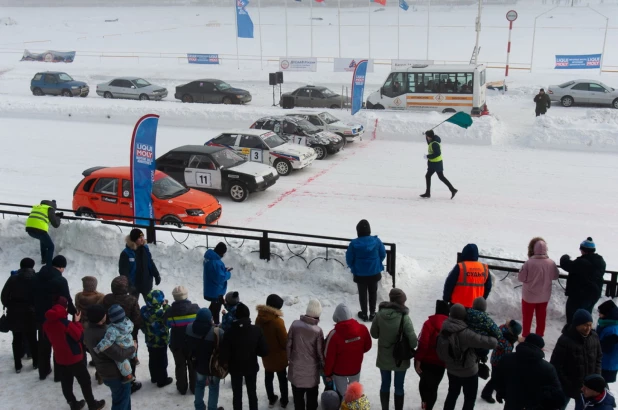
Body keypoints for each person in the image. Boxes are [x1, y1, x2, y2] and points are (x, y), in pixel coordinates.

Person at [43, 297, 105, 410]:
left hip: (59, 358)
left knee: (66, 383)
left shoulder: (46, 324)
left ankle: (73, 403)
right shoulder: (66, 324)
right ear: (65, 308)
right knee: (85, 381)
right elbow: (79, 337)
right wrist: (77, 323)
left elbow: (47, 338)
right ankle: (92, 405)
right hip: (74, 358)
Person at [436, 303, 498, 410]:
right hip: (468, 372)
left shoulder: (444, 327)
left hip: (451, 369)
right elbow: (492, 343)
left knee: (452, 394)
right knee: (469, 398)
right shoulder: (466, 333)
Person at [370, 288, 418, 410]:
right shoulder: (404, 318)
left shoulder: (379, 315)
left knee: (385, 384)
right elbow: (413, 343)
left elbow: (374, 334)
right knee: (399, 386)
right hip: (400, 359)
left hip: (384, 357)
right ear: (401, 302)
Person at [33, 255, 77, 381]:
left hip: (41, 316)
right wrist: (73, 311)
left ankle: (43, 371)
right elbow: (67, 298)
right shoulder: (60, 280)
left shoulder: (37, 276)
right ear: (62, 267)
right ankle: (59, 375)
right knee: (58, 344)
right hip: (56, 316)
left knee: (43, 344)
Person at [84, 305, 136, 410]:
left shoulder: (89, 330)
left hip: (105, 371)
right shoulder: (103, 335)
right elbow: (120, 355)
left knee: (121, 398)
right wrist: (133, 348)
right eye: (104, 314)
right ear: (99, 318)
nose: (106, 315)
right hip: (115, 374)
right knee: (121, 402)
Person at [493, 334, 564, 410]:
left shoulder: (507, 358)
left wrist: (501, 392)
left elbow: (497, 379)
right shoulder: (548, 368)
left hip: (511, 402)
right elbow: (557, 395)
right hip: (535, 406)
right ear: (540, 348)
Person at [220, 302, 269, 410]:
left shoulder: (229, 332)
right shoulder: (256, 330)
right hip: (251, 367)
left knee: (237, 395)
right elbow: (264, 351)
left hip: (235, 368)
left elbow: (224, 354)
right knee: (252, 393)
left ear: (236, 316)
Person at [550, 309, 602, 408]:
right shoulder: (565, 341)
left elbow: (598, 357)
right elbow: (556, 365)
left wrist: (596, 376)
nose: (588, 328)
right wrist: (568, 384)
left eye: (590, 324)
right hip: (568, 387)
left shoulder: (594, 337)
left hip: (588, 386)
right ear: (576, 325)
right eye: (585, 325)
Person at [103, 276, 142, 391]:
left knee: (116, 355)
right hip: (128, 333)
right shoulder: (131, 300)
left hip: (111, 332)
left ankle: (119, 377)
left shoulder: (107, 299)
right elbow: (137, 318)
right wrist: (135, 331)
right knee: (130, 354)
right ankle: (131, 381)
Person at [324, 303, 372, 395]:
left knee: (343, 394)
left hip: (339, 372)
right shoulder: (362, 329)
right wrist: (356, 352)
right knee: (354, 394)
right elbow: (368, 346)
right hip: (355, 369)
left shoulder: (334, 335)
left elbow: (329, 356)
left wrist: (328, 373)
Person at [1, 257, 38, 373]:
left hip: (14, 313)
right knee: (32, 338)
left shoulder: (13, 279)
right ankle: (35, 362)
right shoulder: (36, 279)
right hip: (31, 313)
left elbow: (4, 296)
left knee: (16, 339)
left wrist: (9, 305)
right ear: (32, 266)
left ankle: (18, 365)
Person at [345, 219, 386, 322]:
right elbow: (383, 254)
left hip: (360, 273)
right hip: (374, 272)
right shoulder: (376, 241)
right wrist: (376, 263)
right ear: (369, 230)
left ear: (358, 231)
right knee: (373, 292)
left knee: (362, 294)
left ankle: (364, 314)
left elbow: (349, 259)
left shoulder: (354, 243)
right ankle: (372, 314)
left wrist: (354, 267)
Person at [287, 299, 325, 410]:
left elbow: (288, 345)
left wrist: (292, 360)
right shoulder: (318, 331)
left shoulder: (295, 325)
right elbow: (320, 353)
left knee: (298, 401)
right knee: (312, 401)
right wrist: (323, 366)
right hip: (311, 373)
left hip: (296, 370)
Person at [518, 237, 559, 337]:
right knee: (541, 318)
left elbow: (521, 278)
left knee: (527, 318)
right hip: (544, 296)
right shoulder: (551, 263)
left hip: (529, 297)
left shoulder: (528, 263)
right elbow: (555, 276)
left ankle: (526, 337)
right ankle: (539, 338)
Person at [561, 237, 606, 325]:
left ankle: (573, 335)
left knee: (573, 317)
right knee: (586, 317)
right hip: (594, 294)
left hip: (579, 296)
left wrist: (564, 257)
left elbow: (566, 265)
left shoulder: (582, 262)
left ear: (584, 250)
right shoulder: (601, 261)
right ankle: (585, 335)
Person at [186, 308, 224, 410]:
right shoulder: (217, 332)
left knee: (199, 384)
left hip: (198, 364)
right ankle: (212, 408)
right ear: (210, 319)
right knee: (213, 387)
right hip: (213, 366)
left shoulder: (189, 328)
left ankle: (199, 407)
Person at [414, 300, 450, 410]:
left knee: (424, 382)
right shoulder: (451, 326)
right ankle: (429, 407)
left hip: (426, 361)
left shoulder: (429, 323)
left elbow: (423, 343)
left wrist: (418, 359)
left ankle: (424, 401)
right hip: (441, 362)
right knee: (434, 387)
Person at [255, 294, 289, 408]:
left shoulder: (258, 319)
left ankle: (271, 398)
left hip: (266, 355)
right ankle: (284, 400)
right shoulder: (278, 322)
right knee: (282, 379)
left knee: (268, 377)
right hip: (279, 357)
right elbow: (285, 342)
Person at [165, 285, 199, 395]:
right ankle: (195, 387)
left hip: (176, 343)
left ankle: (182, 387)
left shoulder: (170, 311)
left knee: (180, 366)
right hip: (192, 343)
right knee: (193, 365)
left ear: (174, 297)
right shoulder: (195, 308)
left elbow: (167, 324)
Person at [480, 319, 522, 403]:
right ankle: (486, 394)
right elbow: (507, 351)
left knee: (496, 377)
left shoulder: (503, 330)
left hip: (496, 359)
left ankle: (496, 387)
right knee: (495, 379)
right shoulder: (505, 341)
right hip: (498, 362)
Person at [93, 304, 136, 383]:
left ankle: (128, 375)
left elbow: (107, 341)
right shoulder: (128, 322)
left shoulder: (113, 330)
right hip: (130, 342)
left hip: (122, 346)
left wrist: (98, 348)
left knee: (121, 361)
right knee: (132, 349)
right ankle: (135, 358)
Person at [140, 289, 173, 388]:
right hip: (161, 341)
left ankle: (154, 377)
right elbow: (169, 316)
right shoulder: (161, 312)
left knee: (152, 359)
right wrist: (166, 305)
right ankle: (162, 380)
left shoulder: (144, 309)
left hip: (150, 340)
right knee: (162, 361)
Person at [443, 244, 492, 308]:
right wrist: (481, 300)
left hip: (457, 306)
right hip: (475, 307)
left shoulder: (460, 267)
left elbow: (449, 284)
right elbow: (488, 286)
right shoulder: (484, 268)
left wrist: (446, 299)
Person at [119, 228, 161, 302]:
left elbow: (150, 263)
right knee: (132, 307)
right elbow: (123, 271)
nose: (142, 239)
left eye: (142, 237)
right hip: (133, 285)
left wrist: (156, 274)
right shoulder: (126, 253)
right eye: (139, 238)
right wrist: (129, 284)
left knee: (151, 305)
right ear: (134, 240)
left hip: (146, 283)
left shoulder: (145, 248)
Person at [420, 130, 457, 199]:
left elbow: (437, 153)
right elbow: (428, 143)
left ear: (429, 137)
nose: (427, 138)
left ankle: (453, 190)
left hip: (436, 163)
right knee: (428, 176)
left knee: (440, 177)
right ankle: (428, 193)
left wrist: (428, 156)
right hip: (433, 163)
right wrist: (426, 134)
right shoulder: (432, 140)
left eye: (427, 136)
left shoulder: (434, 143)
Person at [25, 199, 62, 266]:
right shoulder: (50, 209)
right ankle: (49, 265)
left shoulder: (38, 207)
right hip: (39, 229)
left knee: (43, 241)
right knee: (51, 246)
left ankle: (44, 259)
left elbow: (43, 216)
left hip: (29, 229)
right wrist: (58, 217)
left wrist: (54, 215)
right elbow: (56, 224)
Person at [465, 297, 502, 363]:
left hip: (466, 346)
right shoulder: (487, 320)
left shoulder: (466, 315)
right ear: (484, 308)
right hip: (481, 349)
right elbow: (499, 334)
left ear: (473, 305)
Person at [203, 242, 232, 325]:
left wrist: (223, 270)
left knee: (212, 309)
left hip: (210, 288)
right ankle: (215, 326)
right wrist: (228, 273)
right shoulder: (216, 262)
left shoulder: (208, 258)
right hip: (216, 290)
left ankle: (205, 321)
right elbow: (220, 278)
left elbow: (214, 273)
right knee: (215, 311)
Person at [597, 300, 618, 383]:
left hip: (607, 366)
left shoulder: (613, 330)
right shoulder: (608, 324)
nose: (599, 315)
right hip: (605, 364)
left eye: (601, 313)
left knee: (599, 386)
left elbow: (606, 348)